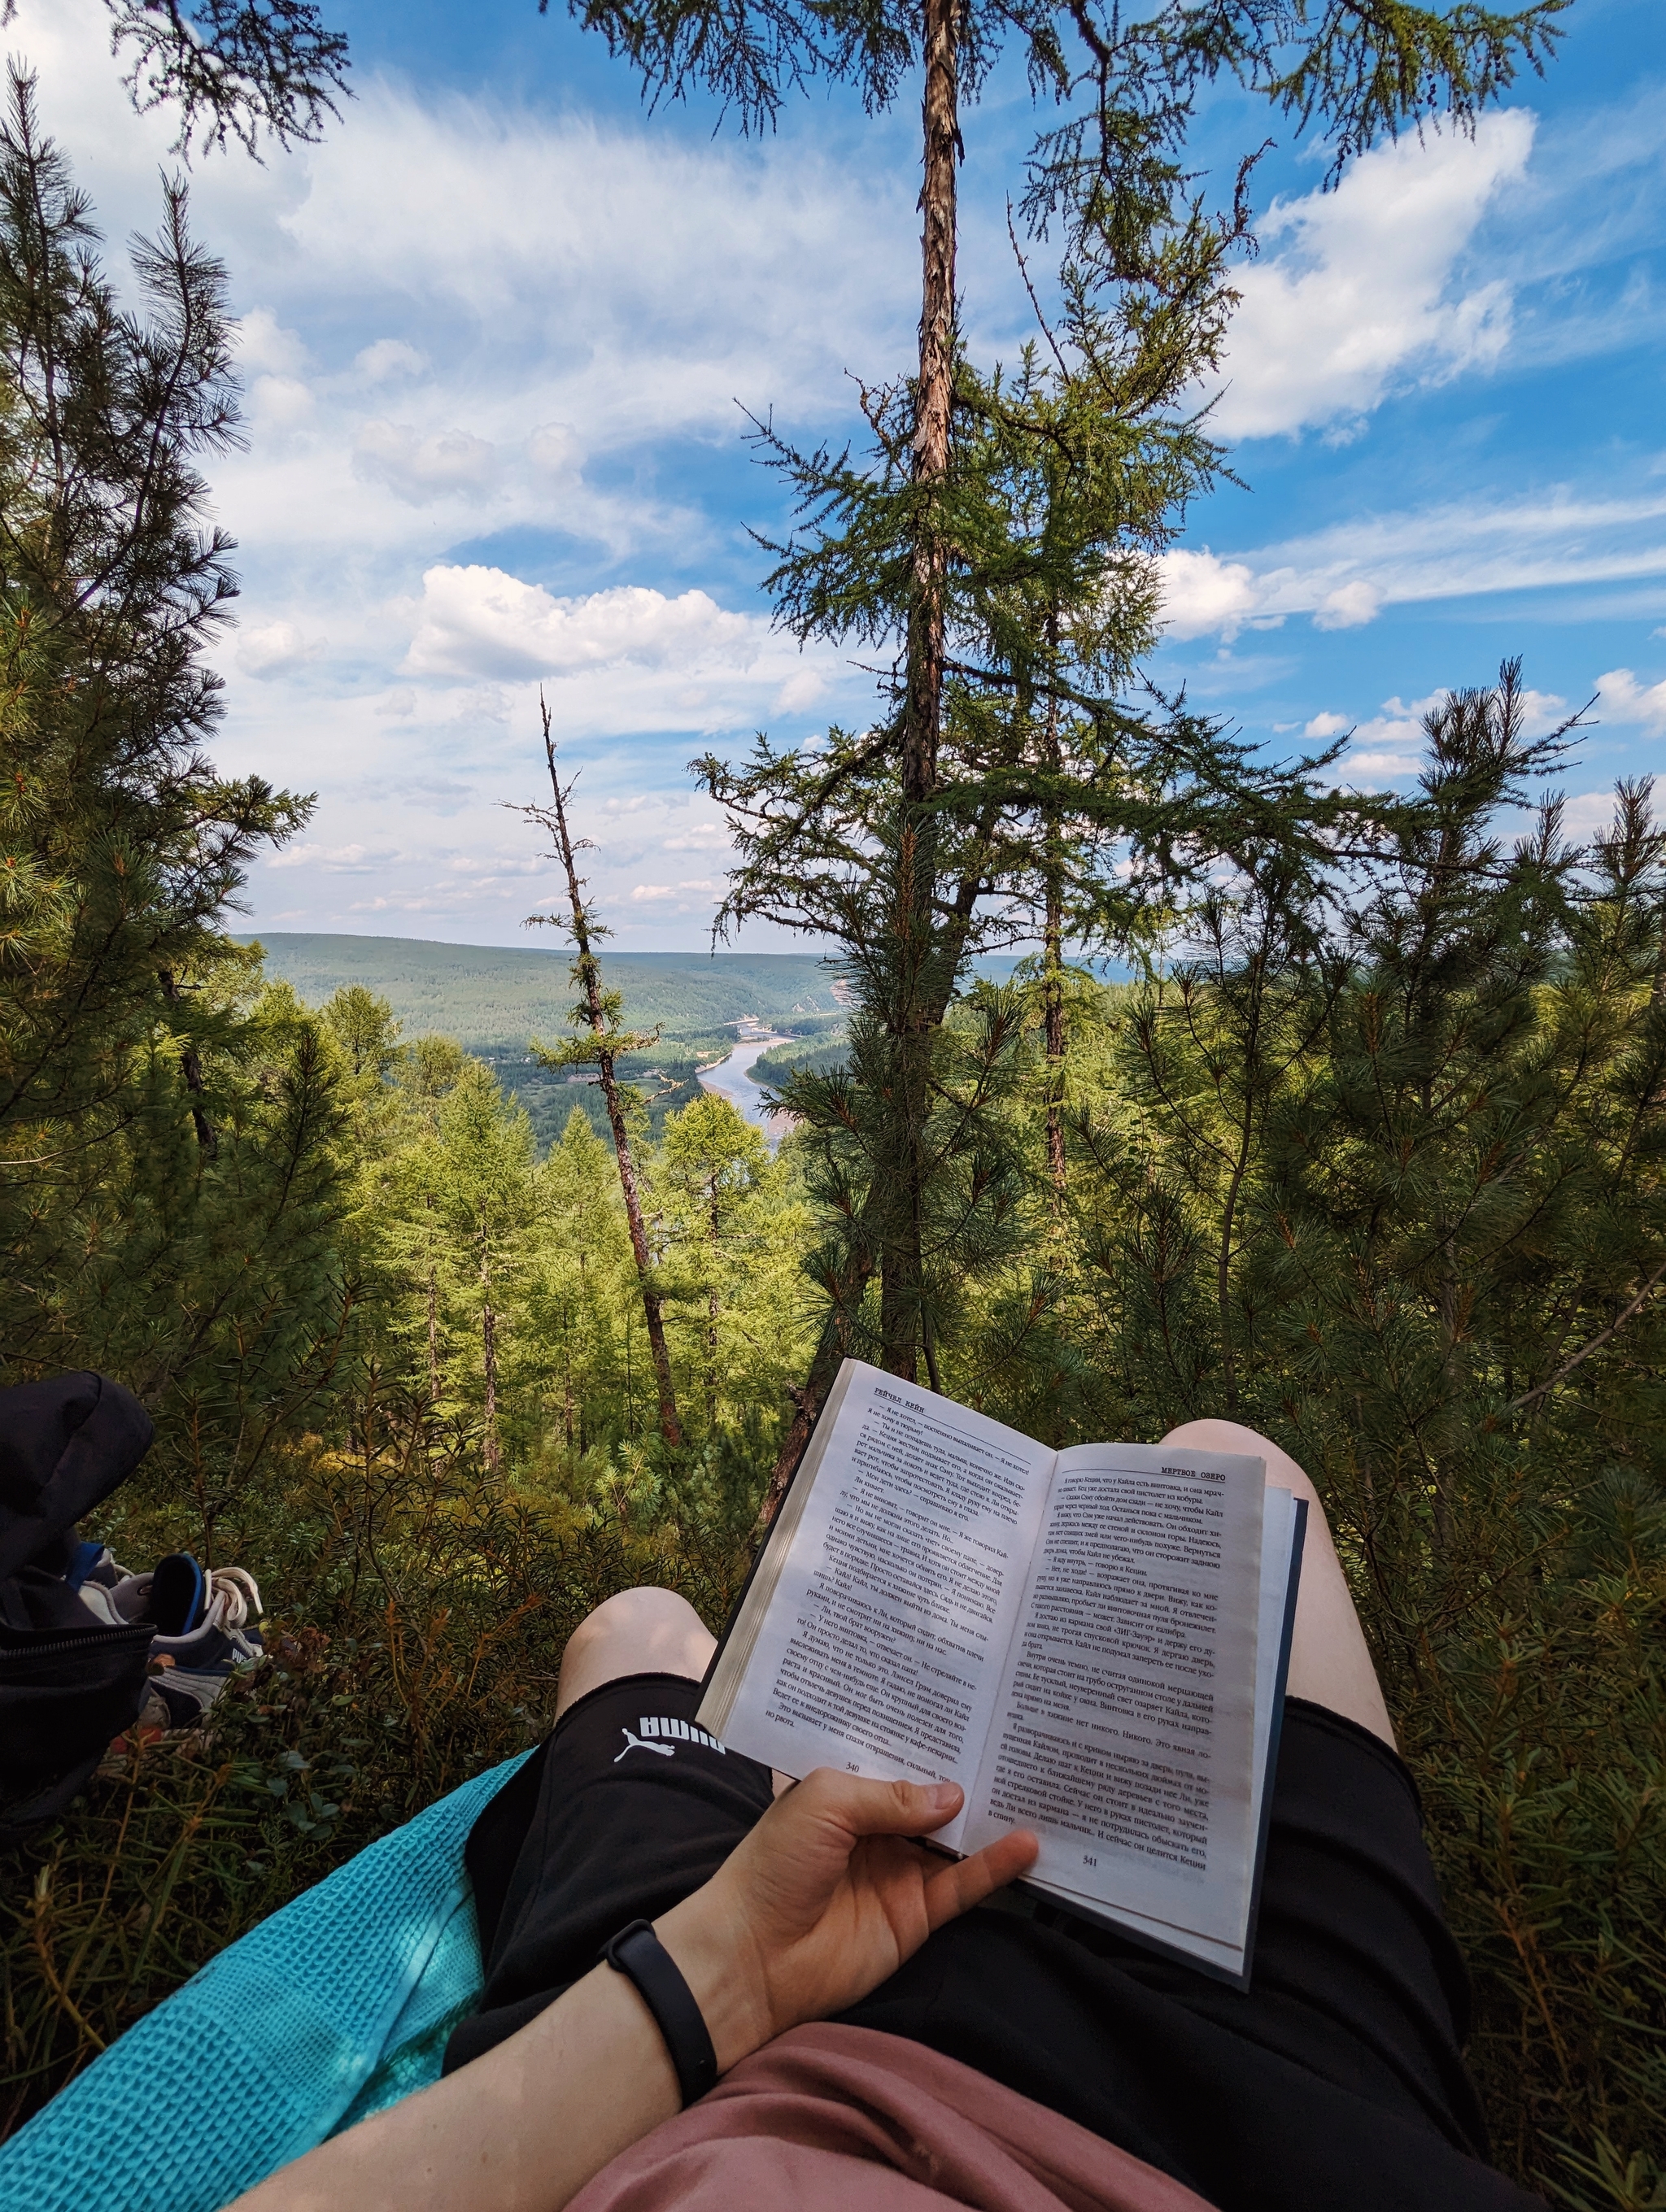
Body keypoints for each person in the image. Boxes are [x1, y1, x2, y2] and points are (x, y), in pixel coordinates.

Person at [229, 1422, 1545, 2212]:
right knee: (1231, 1467)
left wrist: (723, 1970)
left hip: (690, 2036)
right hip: (1260, 2114)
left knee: (639, 1627)